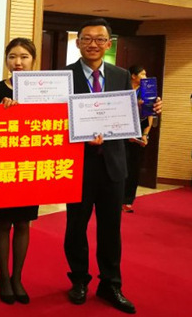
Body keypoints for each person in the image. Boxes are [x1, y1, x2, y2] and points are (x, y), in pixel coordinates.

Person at [63, 18, 161, 315]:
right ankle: (79, 280)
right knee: (76, 227)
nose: (93, 44)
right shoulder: (63, 76)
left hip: (113, 164)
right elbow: (52, 119)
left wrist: (147, 109)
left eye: (99, 39)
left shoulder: (120, 75)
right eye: (86, 38)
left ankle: (111, 284)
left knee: (110, 229)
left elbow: (125, 114)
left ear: (108, 44)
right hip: (78, 164)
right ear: (78, 42)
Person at [0, 38, 38, 305]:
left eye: (24, 57)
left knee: (23, 223)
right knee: (4, 222)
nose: (17, 62)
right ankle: (3, 277)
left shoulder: (43, 90)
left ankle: (17, 277)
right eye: (12, 57)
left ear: (33, 60)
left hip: (31, 167)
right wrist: (1, 110)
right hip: (4, 167)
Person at [122, 65, 154, 213]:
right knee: (120, 166)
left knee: (134, 167)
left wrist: (145, 134)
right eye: (142, 74)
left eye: (146, 74)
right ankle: (115, 198)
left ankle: (128, 200)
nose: (145, 77)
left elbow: (150, 115)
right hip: (122, 131)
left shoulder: (146, 91)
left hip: (139, 132)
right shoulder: (123, 89)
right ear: (133, 76)